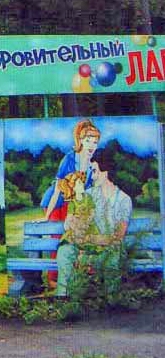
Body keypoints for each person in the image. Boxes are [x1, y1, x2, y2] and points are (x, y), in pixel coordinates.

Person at [55, 162, 132, 297]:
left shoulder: (123, 200)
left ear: (106, 173)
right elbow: (70, 223)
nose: (92, 176)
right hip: (85, 246)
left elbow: (118, 235)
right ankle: (63, 297)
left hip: (107, 248)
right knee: (65, 251)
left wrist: (91, 239)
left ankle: (110, 299)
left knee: (114, 252)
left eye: (95, 171)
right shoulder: (87, 195)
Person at [40, 119, 100, 284]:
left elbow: (90, 194)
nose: (92, 145)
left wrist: (96, 178)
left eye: (95, 142)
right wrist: (47, 216)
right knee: (59, 237)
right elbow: (57, 190)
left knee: (79, 235)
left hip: (75, 205)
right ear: (79, 140)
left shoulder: (92, 166)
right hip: (57, 202)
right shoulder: (69, 159)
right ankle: (54, 278)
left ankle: (77, 276)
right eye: (88, 140)